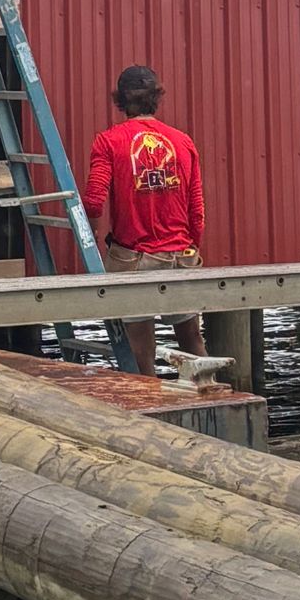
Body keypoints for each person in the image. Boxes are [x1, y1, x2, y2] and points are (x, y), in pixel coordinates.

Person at [80, 64, 206, 376]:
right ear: (157, 98)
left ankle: (149, 410)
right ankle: (209, 396)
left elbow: (94, 200)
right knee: (192, 340)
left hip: (132, 258)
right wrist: (191, 249)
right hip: (180, 255)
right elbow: (197, 213)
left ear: (120, 100)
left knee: (140, 354)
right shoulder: (182, 141)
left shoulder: (109, 142)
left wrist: (94, 237)